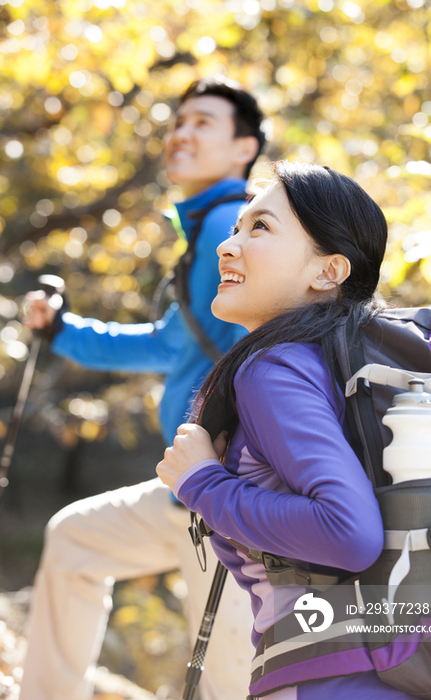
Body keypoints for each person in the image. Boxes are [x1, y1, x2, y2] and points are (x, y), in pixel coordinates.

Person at [20, 77, 265, 700]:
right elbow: (168, 344)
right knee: (75, 537)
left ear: (245, 148)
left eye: (203, 122)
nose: (181, 132)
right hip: (188, 490)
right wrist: (63, 333)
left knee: (227, 679)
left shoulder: (227, 232)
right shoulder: (207, 228)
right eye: (178, 120)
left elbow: (267, 340)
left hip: (229, 498)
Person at [157, 161, 422, 699]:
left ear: (328, 272)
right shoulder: (354, 370)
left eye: (261, 228)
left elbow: (350, 534)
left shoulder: (274, 369)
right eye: (236, 227)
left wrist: (202, 482)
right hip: (408, 669)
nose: (227, 246)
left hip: (331, 678)